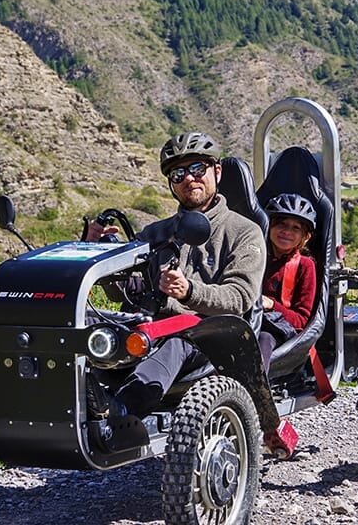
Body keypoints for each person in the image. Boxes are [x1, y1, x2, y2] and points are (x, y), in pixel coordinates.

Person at [85, 131, 266, 421]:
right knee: (82, 320)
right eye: (178, 174)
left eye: (197, 169)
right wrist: (99, 256)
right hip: (150, 325)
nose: (189, 179)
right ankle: (67, 397)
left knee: (177, 340)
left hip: (209, 334)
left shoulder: (244, 231)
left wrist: (189, 291)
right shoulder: (155, 233)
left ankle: (120, 409)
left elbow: (240, 297)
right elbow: (124, 291)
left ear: (216, 171)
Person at [256, 193, 317, 370]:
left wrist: (271, 304)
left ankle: (254, 394)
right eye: (281, 224)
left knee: (263, 339)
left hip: (276, 330)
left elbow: (301, 321)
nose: (287, 231)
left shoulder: (305, 266)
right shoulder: (254, 255)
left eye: (296, 228)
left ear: (305, 237)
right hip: (245, 320)